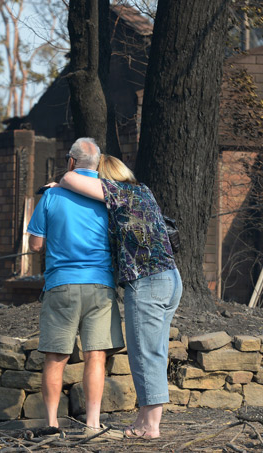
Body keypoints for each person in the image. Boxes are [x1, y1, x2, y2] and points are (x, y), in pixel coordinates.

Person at [58, 154, 182, 440]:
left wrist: (62, 180)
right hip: (171, 278)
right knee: (155, 350)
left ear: (105, 177)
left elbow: (69, 178)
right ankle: (145, 417)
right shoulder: (142, 191)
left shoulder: (118, 191)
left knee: (143, 353)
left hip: (147, 281)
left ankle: (151, 426)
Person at [27, 138, 124, 434]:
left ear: (71, 162)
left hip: (62, 286)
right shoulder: (108, 196)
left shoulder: (51, 196)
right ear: (98, 165)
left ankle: (52, 424)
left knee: (56, 358)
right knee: (96, 355)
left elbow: (35, 245)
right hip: (100, 285)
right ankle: (93, 424)